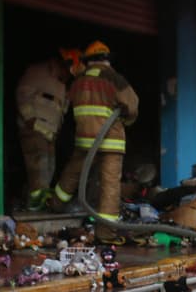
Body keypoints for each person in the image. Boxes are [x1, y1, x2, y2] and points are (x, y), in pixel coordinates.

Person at [49, 40, 139, 243]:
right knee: (110, 187)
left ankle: (55, 204)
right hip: (110, 142)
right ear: (107, 60)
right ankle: (106, 233)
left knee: (72, 174)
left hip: (84, 140)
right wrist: (125, 120)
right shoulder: (114, 78)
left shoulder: (78, 81)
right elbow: (132, 105)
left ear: (87, 60)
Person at [15, 48, 82, 211]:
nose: (68, 76)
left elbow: (61, 110)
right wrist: (30, 118)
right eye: (69, 72)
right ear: (63, 64)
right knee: (39, 167)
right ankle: (35, 207)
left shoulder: (62, 84)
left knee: (49, 168)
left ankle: (36, 203)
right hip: (34, 128)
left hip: (50, 131)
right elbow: (22, 94)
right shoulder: (37, 72)